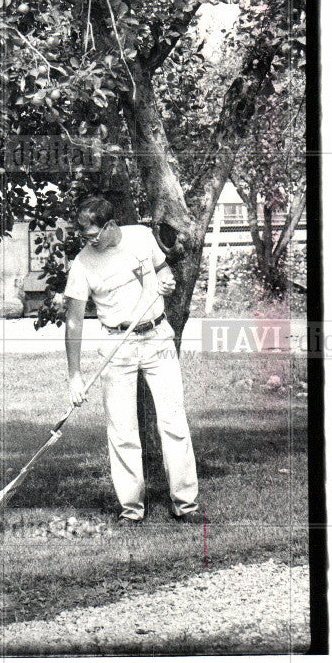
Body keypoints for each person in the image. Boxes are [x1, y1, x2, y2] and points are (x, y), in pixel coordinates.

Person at [63, 195, 204, 526]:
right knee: (122, 430)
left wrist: (166, 278)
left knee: (173, 422)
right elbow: (73, 322)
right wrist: (75, 376)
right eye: (84, 235)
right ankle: (131, 509)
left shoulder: (141, 236)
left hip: (157, 337)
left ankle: (186, 504)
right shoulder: (82, 265)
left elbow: (162, 271)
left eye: (93, 233)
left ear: (111, 225)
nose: (88, 240)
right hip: (116, 344)